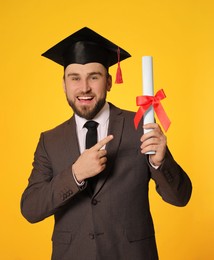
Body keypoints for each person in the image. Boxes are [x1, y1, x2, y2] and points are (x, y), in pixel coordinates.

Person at [21, 27, 192, 260]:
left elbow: (180, 198)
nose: (84, 88)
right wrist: (75, 174)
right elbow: (31, 208)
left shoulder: (140, 126)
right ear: (64, 84)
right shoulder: (49, 141)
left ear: (109, 82)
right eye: (75, 78)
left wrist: (161, 163)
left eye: (94, 76)